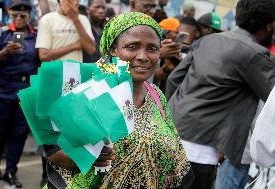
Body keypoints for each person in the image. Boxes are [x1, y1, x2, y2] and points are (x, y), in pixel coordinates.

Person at [43, 12, 193, 189]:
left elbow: (175, 157)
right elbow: (52, 151)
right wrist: (83, 156)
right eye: (132, 46)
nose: (143, 56)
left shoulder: (156, 95)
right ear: (113, 49)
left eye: (152, 48)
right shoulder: (88, 91)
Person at [166, 0, 275, 188]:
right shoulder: (255, 54)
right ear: (269, 26)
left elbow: (173, 79)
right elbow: (272, 99)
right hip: (202, 150)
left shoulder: (208, 40)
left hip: (172, 137)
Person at [0, 1, 41, 188]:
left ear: (29, 16)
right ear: (10, 15)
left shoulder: (36, 36)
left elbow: (42, 58)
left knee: (19, 134)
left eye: (23, 16)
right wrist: (5, 51)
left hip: (25, 89)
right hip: (2, 88)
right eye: (15, 16)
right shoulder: (2, 33)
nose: (19, 19)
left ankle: (11, 171)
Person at [155, 17, 180, 92]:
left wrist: (166, 69)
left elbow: (155, 77)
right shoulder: (155, 47)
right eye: (176, 32)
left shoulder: (170, 51)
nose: (178, 35)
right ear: (167, 32)